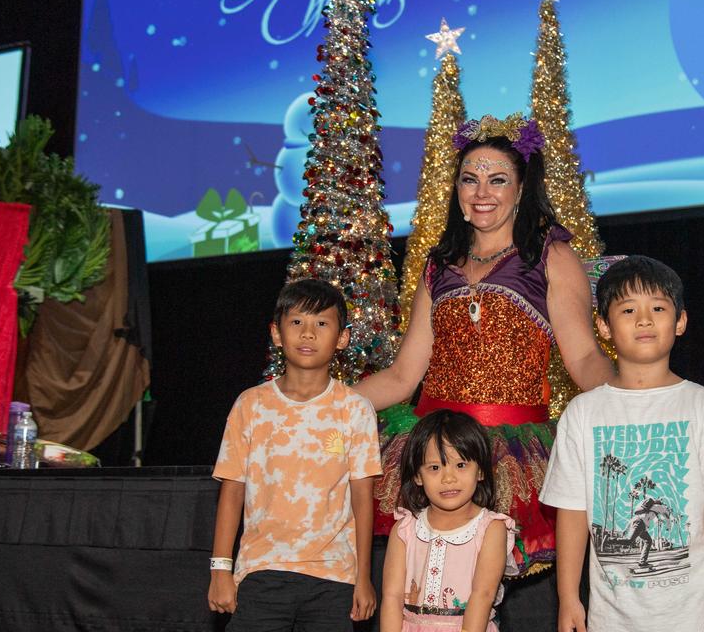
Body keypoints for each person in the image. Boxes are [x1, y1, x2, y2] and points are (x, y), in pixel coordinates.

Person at [355, 113, 613, 575]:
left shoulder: (550, 256)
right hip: (434, 453)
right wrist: (320, 403)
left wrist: (631, 399)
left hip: (509, 459)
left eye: (497, 180)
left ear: (520, 188)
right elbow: (402, 376)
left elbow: (586, 357)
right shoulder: (441, 264)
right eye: (469, 180)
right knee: (428, 594)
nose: (481, 193)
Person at [539, 256, 704, 632]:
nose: (644, 319)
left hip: (698, 616)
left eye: (657, 307)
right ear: (603, 326)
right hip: (612, 621)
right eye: (627, 309)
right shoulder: (582, 413)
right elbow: (572, 514)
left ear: (680, 321)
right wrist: (569, 598)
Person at [208, 279, 383, 632]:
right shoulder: (251, 405)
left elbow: (363, 499)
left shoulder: (355, 409)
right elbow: (232, 491)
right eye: (297, 322)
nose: (308, 333)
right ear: (277, 333)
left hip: (333, 576)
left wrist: (363, 578)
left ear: (342, 338)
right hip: (262, 571)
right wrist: (220, 570)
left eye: (321, 323)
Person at [380, 409, 516, 632]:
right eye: (434, 467)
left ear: (480, 471)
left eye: (461, 465)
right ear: (417, 476)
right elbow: (392, 597)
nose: (448, 478)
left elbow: (483, 595)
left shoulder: (491, 528)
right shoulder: (405, 528)